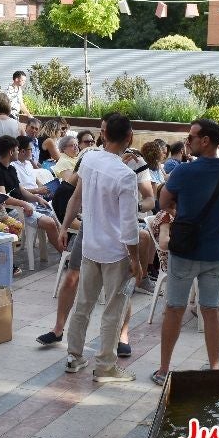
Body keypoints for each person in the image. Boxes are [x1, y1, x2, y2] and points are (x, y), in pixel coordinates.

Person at [153, 119, 219, 384]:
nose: (187, 141)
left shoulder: (183, 172)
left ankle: (164, 370)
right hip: (215, 253)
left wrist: (184, 209)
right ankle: (215, 369)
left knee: (174, 309)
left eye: (191, 137)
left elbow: (164, 202)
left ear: (205, 141)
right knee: (211, 310)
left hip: (186, 251)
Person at [58, 114, 142, 382]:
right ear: (129, 137)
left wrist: (63, 227)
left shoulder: (90, 158)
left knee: (83, 304)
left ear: (104, 134)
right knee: (112, 310)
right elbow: (129, 227)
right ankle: (105, 365)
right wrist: (136, 260)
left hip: (91, 245)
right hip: (115, 251)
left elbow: (76, 196)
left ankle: (74, 356)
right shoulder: (126, 175)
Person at [0, 135, 61, 251]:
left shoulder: (10, 169)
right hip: (12, 210)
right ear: (11, 152)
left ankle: (64, 253)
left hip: (23, 206)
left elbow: (21, 190)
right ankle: (64, 254)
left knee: (55, 217)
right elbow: (3, 198)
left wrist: (38, 199)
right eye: (17, 150)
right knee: (50, 223)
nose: (18, 152)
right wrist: (24, 204)